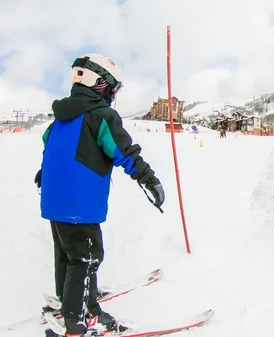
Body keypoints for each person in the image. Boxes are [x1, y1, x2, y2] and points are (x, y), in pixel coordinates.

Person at [34, 53, 165, 337]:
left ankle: (74, 303)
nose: (113, 95)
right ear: (100, 83)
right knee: (87, 257)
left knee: (68, 256)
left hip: (54, 201)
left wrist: (43, 174)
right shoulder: (101, 115)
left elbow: (49, 148)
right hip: (80, 203)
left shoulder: (59, 118)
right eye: (113, 88)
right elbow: (122, 150)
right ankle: (77, 323)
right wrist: (149, 179)